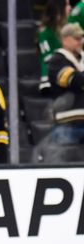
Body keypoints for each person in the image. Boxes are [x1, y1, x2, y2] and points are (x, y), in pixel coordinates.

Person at [45, 23, 84, 152]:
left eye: (81, 38)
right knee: (67, 162)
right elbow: (73, 80)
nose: (81, 42)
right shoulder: (57, 60)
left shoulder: (81, 60)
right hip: (67, 124)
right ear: (65, 40)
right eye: (77, 38)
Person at [39, 0, 72, 93]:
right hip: (55, 77)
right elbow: (48, 59)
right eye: (67, 5)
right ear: (58, 9)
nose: (70, 8)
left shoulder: (71, 27)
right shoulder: (46, 33)